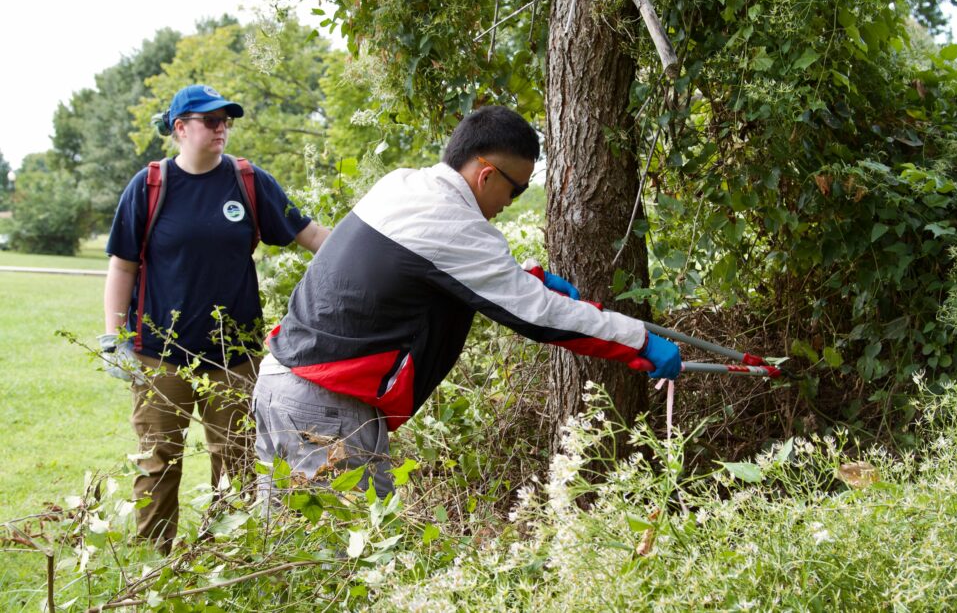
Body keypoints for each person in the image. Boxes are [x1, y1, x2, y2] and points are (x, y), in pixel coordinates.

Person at [253, 105, 681, 498]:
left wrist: (527, 279)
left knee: (291, 555)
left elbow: (425, 267)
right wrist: (639, 342)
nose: (509, 206)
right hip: (324, 405)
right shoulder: (453, 223)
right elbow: (540, 316)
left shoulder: (403, 186)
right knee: (353, 562)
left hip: (279, 385)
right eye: (515, 191)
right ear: (486, 175)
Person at [100, 84, 330, 553]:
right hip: (159, 356)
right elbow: (122, 265)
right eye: (211, 120)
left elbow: (309, 235)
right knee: (158, 460)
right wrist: (112, 336)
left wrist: (371, 249)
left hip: (234, 357)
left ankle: (223, 559)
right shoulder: (148, 186)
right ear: (180, 128)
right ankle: (153, 562)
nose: (222, 127)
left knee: (237, 460)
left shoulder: (248, 181)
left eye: (226, 119)